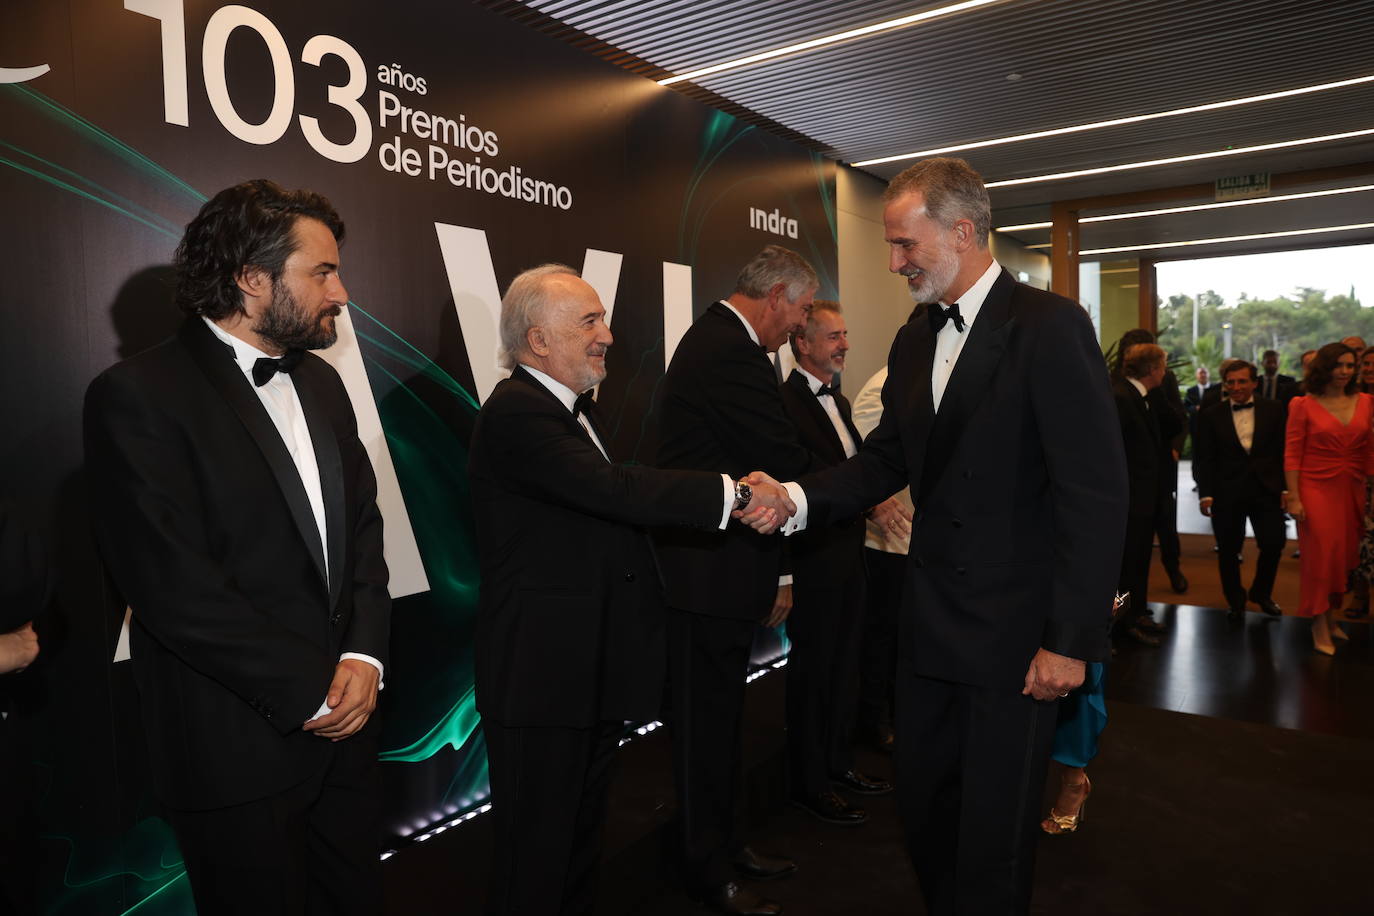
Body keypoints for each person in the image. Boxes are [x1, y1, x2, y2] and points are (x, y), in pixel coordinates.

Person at [757, 157, 1128, 915]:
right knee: (926, 815)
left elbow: (1095, 495)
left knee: (993, 837)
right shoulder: (914, 337)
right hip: (929, 632)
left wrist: (1071, 641)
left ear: (962, 231)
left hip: (1016, 641)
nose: (893, 263)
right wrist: (796, 497)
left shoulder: (1050, 327)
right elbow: (888, 457)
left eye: (904, 245)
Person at [84, 180, 391, 915]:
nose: (342, 291)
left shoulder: (321, 384)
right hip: (231, 751)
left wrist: (366, 655)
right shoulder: (136, 395)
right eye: (322, 272)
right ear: (251, 279)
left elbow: (365, 532)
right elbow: (171, 587)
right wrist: (310, 684)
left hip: (346, 738)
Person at [468, 264, 794, 915]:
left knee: (576, 846)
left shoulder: (563, 412)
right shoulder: (517, 415)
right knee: (535, 861)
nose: (609, 335)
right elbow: (617, 491)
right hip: (540, 681)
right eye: (589, 321)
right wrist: (736, 493)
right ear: (538, 341)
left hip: (579, 676)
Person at [654, 244, 827, 915]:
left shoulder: (731, 345)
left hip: (721, 578)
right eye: (804, 309)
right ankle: (706, 872)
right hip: (704, 581)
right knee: (704, 733)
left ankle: (723, 847)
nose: (802, 325)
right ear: (778, 295)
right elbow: (781, 453)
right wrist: (847, 484)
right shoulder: (726, 348)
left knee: (721, 726)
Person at [777, 301, 899, 827]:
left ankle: (838, 764)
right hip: (814, 561)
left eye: (845, 334)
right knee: (814, 675)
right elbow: (803, 477)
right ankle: (809, 783)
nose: (844, 344)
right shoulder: (785, 405)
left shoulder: (840, 399)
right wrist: (871, 501)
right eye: (832, 336)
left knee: (846, 665)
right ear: (801, 343)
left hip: (849, 556)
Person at [1284, 342, 1374, 654]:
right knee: (1320, 558)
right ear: (1325, 367)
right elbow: (1292, 454)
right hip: (1314, 489)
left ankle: (1330, 616)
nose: (1346, 372)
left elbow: (1369, 451)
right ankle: (1318, 623)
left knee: (1342, 558)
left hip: (1352, 488)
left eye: (1351, 366)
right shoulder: (1302, 405)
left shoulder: (1366, 402)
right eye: (1339, 365)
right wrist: (1293, 497)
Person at [1192, 360, 1287, 620]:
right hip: (1226, 491)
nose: (1236, 387)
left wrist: (1286, 488)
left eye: (1242, 381)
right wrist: (1205, 493)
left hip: (1265, 489)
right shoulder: (1211, 414)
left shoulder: (1275, 410)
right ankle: (1235, 598)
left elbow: (1282, 452)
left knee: (1273, 542)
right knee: (1228, 549)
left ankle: (1261, 592)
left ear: (1254, 383)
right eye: (1231, 382)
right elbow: (1203, 457)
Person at [850, 362, 911, 754]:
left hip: (914, 542)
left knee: (904, 641)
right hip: (888, 543)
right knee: (881, 639)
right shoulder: (881, 388)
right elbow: (867, 466)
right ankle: (874, 722)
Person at [1112, 329, 1187, 594]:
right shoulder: (1119, 389)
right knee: (1132, 555)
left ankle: (1170, 573)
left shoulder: (1157, 386)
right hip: (1135, 484)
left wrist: (1154, 392)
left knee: (1161, 532)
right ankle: (1129, 617)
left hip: (1157, 472)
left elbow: (1176, 422)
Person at [1112, 344, 1168, 647]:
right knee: (1126, 566)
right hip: (1130, 502)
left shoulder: (1139, 396)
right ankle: (1121, 628)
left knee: (1138, 562)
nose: (1165, 372)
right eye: (1163, 365)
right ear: (1152, 369)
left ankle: (1134, 617)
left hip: (1142, 500)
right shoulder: (1122, 397)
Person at [1349, 347, 1374, 618]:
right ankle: (1360, 593)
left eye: (1373, 364)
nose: (1368, 369)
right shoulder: (1352, 399)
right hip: (1359, 479)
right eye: (1365, 364)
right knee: (1362, 537)